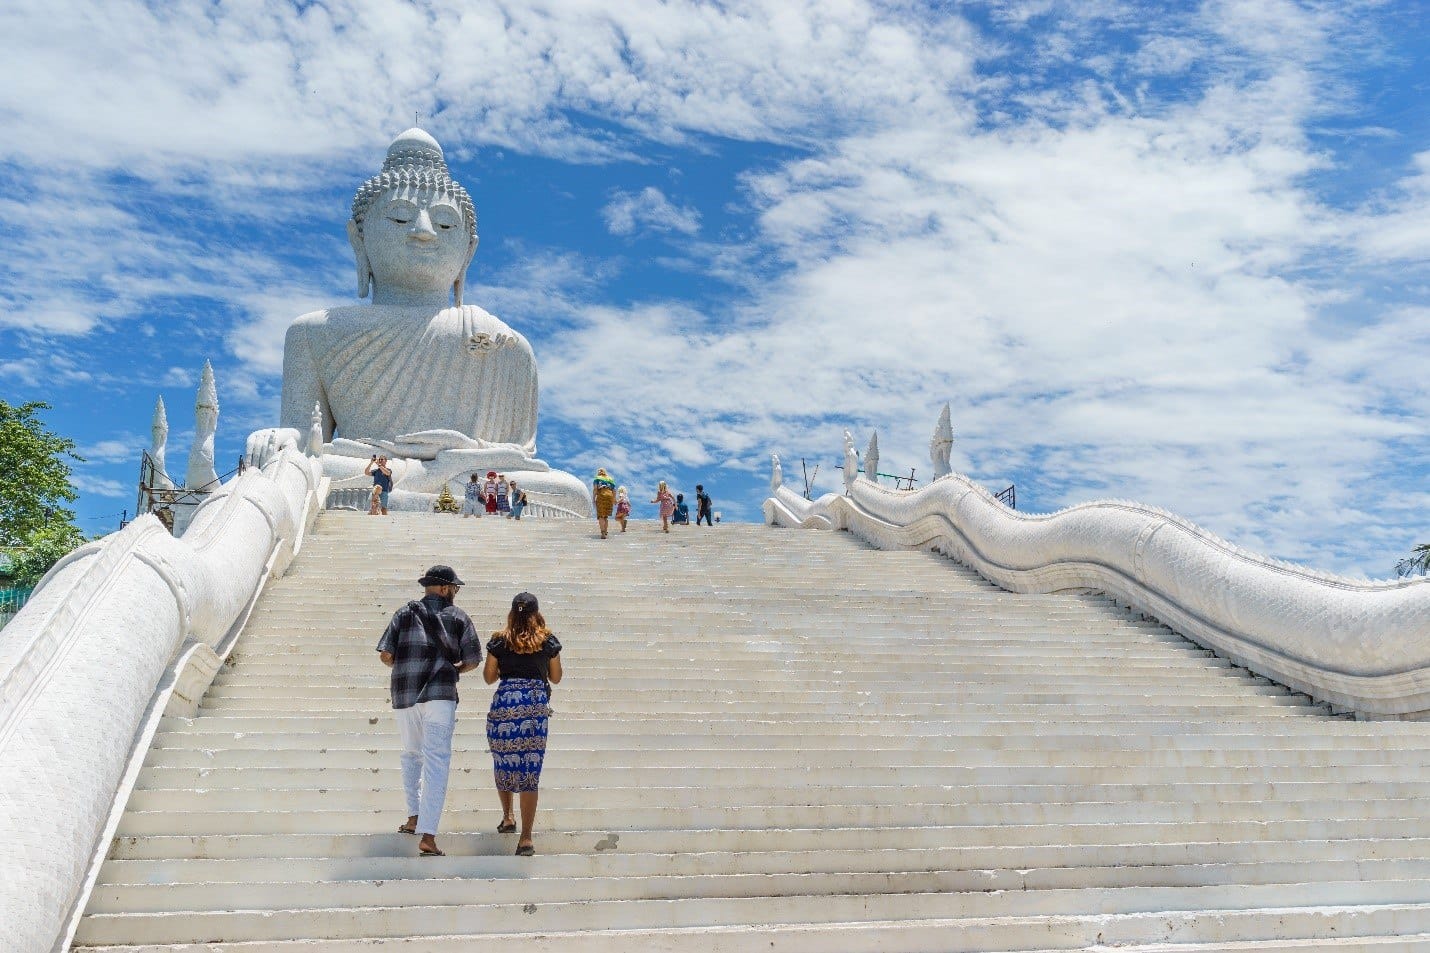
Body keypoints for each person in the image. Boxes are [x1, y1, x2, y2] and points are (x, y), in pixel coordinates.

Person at [376, 565, 481, 857]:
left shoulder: (404, 613)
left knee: (411, 754)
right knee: (437, 761)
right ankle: (428, 836)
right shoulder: (458, 616)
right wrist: (453, 669)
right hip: (440, 697)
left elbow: (386, 655)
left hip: (405, 696)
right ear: (446, 588)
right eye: (455, 589)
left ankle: (413, 817)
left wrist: (408, 667)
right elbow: (473, 659)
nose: (455, 593)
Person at [484, 591, 563, 856]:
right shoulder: (548, 641)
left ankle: (508, 817)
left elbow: (489, 677)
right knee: (529, 769)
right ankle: (526, 838)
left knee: (503, 761)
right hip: (534, 707)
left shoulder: (498, 641)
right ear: (536, 613)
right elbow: (556, 677)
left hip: (505, 703)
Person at [592, 468, 616, 539]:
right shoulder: (610, 479)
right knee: (605, 516)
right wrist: (614, 499)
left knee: (601, 516)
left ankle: (603, 532)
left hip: (601, 496)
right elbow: (614, 490)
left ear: (599, 473)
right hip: (609, 496)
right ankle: (605, 531)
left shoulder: (597, 478)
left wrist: (593, 498)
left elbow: (595, 489)